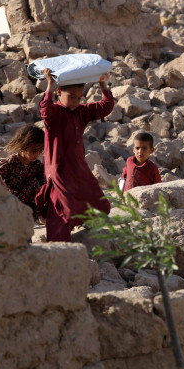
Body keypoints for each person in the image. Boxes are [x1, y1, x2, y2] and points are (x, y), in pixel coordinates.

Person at [36, 68, 115, 242]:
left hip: (78, 168)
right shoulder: (54, 113)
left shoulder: (81, 112)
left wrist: (101, 81)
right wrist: (49, 84)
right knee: (63, 210)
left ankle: (83, 224)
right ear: (59, 92)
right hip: (59, 171)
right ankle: (60, 248)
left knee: (99, 202)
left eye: (79, 98)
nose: (75, 101)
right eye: (71, 96)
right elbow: (45, 111)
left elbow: (106, 106)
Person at [0, 125, 46, 221]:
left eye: (40, 150)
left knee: (38, 185)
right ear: (23, 146)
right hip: (10, 202)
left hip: (28, 207)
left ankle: (39, 216)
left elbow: (43, 188)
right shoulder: (11, 162)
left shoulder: (37, 166)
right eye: (34, 150)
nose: (37, 154)